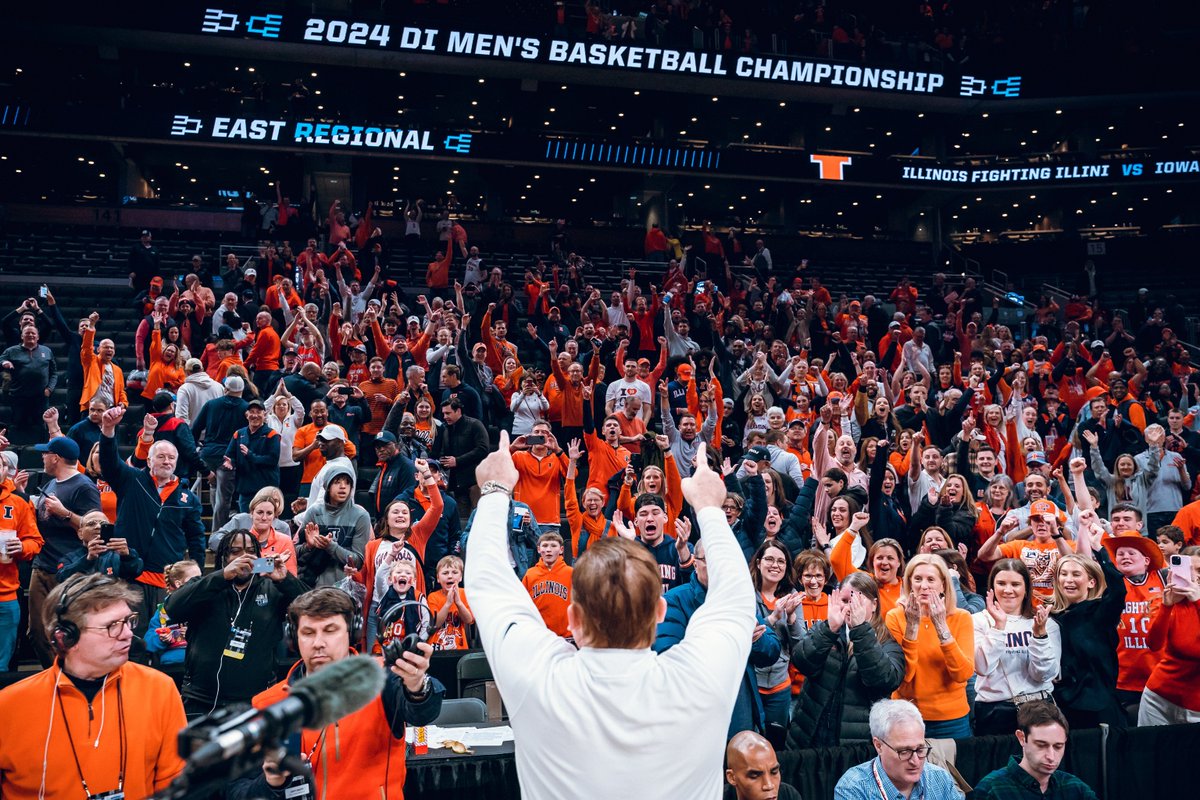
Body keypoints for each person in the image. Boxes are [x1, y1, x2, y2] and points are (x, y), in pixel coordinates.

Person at [467, 436, 756, 799]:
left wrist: (494, 491)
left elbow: (485, 579)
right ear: (660, 611)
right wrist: (710, 508)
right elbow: (736, 597)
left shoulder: (538, 677)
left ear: (572, 618)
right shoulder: (698, 678)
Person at [227, 587, 444, 799]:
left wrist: (417, 685)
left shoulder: (383, 677)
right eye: (308, 633)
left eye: (330, 630)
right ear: (293, 639)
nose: (318, 643)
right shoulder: (267, 703)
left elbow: (421, 712)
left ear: (352, 633)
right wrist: (270, 784)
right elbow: (237, 790)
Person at [0, 574, 187, 798]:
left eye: (129, 621)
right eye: (112, 626)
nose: (128, 634)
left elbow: (175, 782)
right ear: (65, 638)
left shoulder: (160, 689)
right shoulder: (9, 706)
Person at [166, 530, 306, 716]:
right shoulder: (205, 584)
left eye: (250, 550)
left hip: (255, 700)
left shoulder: (273, 588)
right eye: (235, 551)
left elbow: (312, 610)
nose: (244, 557)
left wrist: (286, 580)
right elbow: (173, 608)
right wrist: (222, 576)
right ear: (224, 557)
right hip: (201, 700)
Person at [98, 406, 205, 638]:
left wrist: (196, 575)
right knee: (130, 640)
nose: (167, 461)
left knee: (162, 641)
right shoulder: (131, 480)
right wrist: (108, 430)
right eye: (161, 456)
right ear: (149, 459)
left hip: (166, 583)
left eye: (171, 458)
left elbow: (196, 539)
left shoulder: (189, 499)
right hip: (130, 577)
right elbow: (108, 463)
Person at [787, 573, 905, 749]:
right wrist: (829, 629)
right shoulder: (827, 630)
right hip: (809, 736)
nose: (850, 607)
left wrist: (860, 632)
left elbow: (884, 680)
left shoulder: (886, 642)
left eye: (857, 600)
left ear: (874, 605)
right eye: (844, 600)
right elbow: (802, 661)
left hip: (854, 745)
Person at [885, 554, 975, 738]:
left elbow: (963, 674)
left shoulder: (961, 617)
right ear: (909, 583)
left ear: (943, 584)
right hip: (906, 716)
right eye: (917, 579)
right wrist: (912, 627)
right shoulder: (895, 617)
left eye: (931, 579)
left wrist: (941, 626)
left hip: (951, 720)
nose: (923, 586)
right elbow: (904, 677)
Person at [28, 434, 99, 666]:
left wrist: (65, 513)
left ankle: (68, 677)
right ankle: (52, 677)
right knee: (38, 631)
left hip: (69, 570)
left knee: (67, 631)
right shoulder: (50, 483)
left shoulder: (84, 486)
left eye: (45, 453)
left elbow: (96, 528)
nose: (42, 457)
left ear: (55, 458)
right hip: (41, 566)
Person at [1049, 519, 1127, 730]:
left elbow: (1119, 590)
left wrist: (1099, 549)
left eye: (1076, 574)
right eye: (1063, 574)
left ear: (1091, 582)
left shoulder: (1100, 612)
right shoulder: (1052, 617)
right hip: (1063, 705)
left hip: (1098, 707)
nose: (1068, 580)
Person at [972, 559, 1062, 736]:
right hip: (994, 710)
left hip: (1040, 707)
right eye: (1001, 583)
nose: (1008, 590)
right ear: (991, 587)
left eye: (1015, 584)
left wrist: (1039, 636)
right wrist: (998, 627)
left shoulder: (1046, 623)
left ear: (1026, 588)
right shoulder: (977, 621)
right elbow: (982, 667)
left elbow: (1044, 674)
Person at [834, 699, 963, 800]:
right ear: (878, 746)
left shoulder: (940, 778)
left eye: (920, 749)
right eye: (904, 751)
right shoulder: (854, 788)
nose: (915, 761)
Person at [973, 701, 1097, 800]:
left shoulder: (1075, 787)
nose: (1051, 756)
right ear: (1021, 738)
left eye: (1058, 746)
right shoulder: (991, 790)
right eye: (1041, 745)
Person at [1137, 549, 1200, 725]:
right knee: (1150, 751)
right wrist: (1166, 606)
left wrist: (1198, 601)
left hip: (1196, 708)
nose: (1194, 576)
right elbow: (1153, 644)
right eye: (1190, 570)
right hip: (1159, 698)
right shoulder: (1168, 602)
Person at [0, 455, 42, 670]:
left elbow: (35, 541)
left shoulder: (18, 502)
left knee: (2, 664)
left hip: (5, 596)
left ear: (5, 470)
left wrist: (22, 547)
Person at [223, 397, 281, 512]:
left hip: (266, 489)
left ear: (264, 415)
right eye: (252, 412)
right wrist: (230, 462)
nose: (255, 415)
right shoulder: (238, 434)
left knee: (266, 521)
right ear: (246, 415)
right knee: (246, 522)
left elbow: (272, 460)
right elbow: (230, 455)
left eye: (258, 412)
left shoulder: (272, 434)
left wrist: (250, 455)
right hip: (246, 488)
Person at [724, 730, 803, 800]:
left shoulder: (789, 794)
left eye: (774, 772)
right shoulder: (716, 796)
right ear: (732, 777)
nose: (769, 785)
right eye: (754, 776)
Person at [522, 531, 573, 638]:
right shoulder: (530, 574)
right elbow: (523, 606)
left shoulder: (571, 573)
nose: (549, 550)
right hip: (539, 636)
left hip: (567, 636)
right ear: (538, 549)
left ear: (561, 550)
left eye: (553, 546)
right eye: (545, 546)